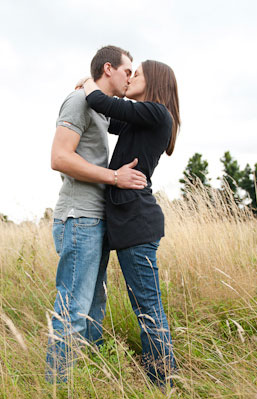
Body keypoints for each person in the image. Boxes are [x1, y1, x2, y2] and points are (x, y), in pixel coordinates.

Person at [46, 45, 147, 383]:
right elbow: (59, 157)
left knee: (93, 309)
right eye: (127, 70)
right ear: (108, 69)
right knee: (73, 311)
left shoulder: (99, 109)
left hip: (97, 219)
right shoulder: (77, 102)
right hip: (78, 219)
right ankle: (57, 385)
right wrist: (114, 177)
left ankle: (88, 380)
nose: (131, 77)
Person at [79, 59, 180, 385]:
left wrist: (88, 83)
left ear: (154, 81)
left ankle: (163, 382)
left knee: (147, 306)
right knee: (121, 299)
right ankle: (95, 357)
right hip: (125, 219)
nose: (130, 78)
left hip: (136, 221)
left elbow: (101, 102)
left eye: (136, 74)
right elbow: (109, 117)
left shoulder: (157, 113)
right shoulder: (141, 119)